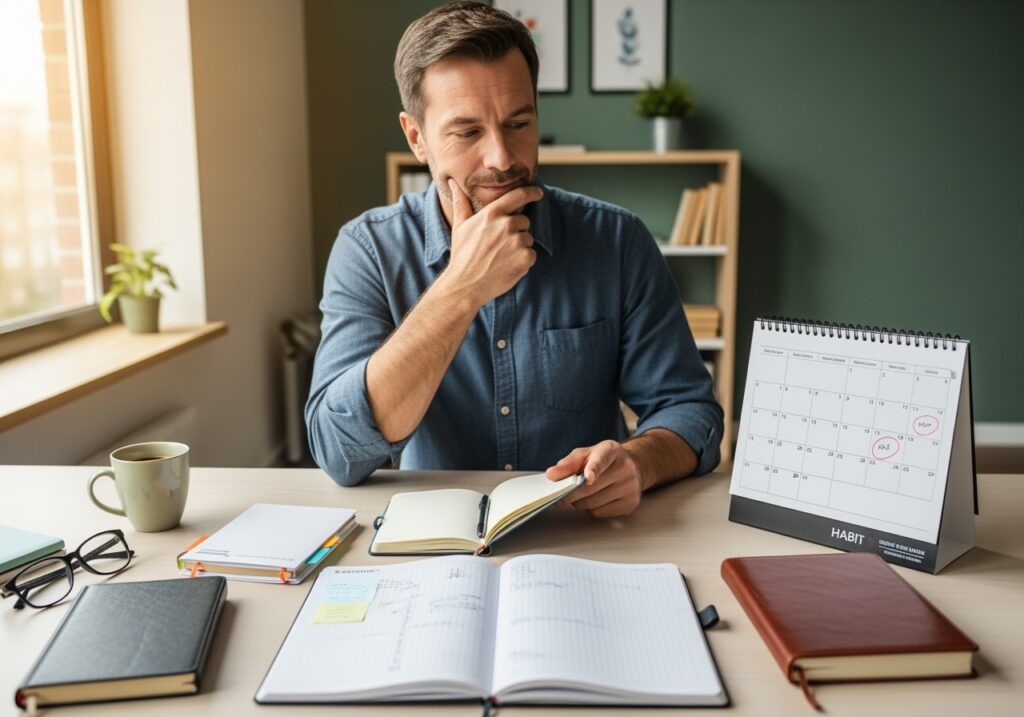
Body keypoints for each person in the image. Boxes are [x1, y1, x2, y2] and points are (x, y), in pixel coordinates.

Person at [305, 1, 723, 518]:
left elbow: (690, 411)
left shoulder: (617, 241)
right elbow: (338, 449)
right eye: (468, 132)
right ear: (416, 137)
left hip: (583, 535)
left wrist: (638, 462)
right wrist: (461, 288)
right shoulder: (368, 249)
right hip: (435, 550)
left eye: (518, 123)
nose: (502, 158)